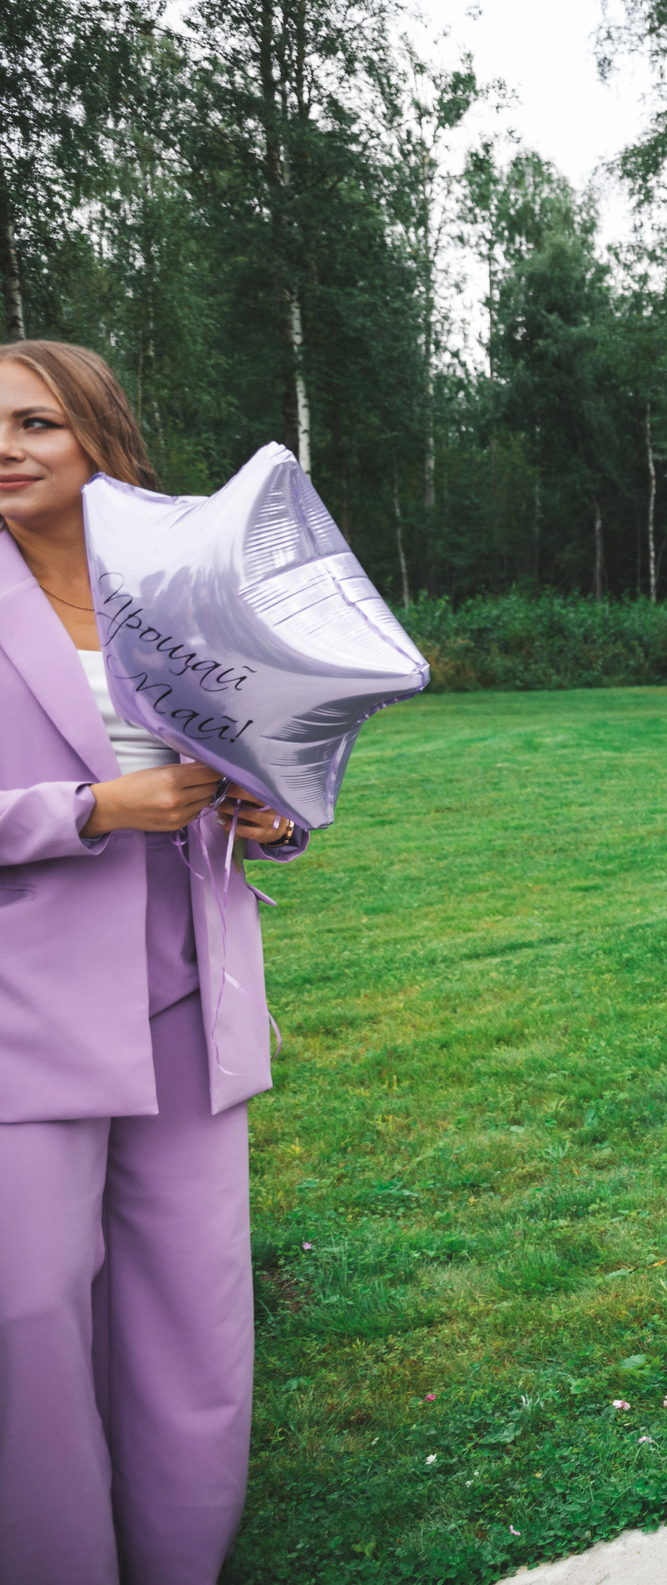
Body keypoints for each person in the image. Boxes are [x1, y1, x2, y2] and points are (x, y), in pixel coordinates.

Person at [0, 340, 303, 1581]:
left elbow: (273, 755)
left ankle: (181, 1561)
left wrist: (272, 813)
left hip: (190, 993)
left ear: (99, 437)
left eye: (33, 423)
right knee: (27, 1309)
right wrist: (88, 810)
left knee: (192, 1308)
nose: (6, 448)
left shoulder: (178, 588)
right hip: (25, 1010)